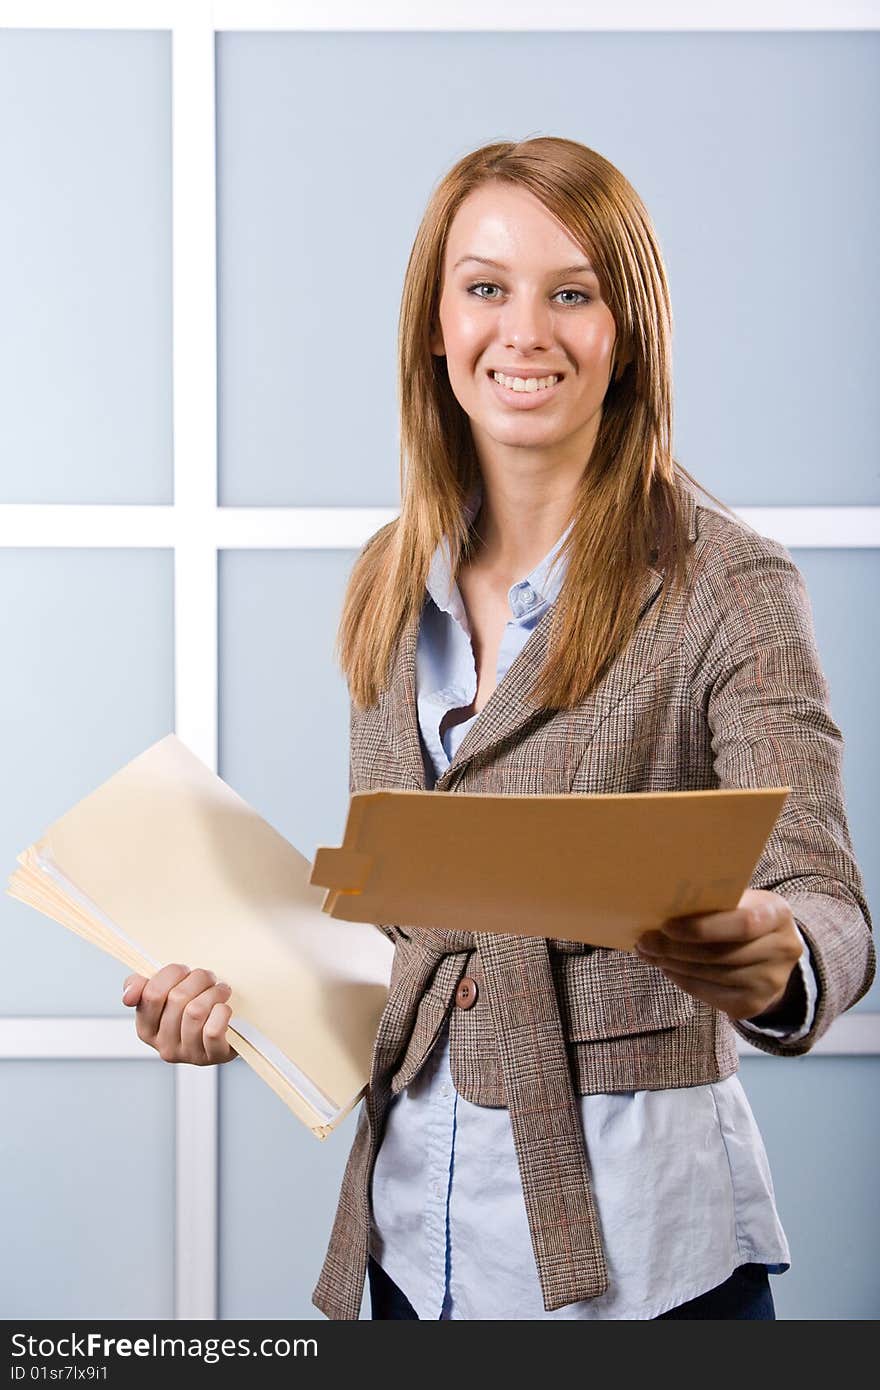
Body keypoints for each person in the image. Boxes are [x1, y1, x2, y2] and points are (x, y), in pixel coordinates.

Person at [122, 136, 875, 1320]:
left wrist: (780, 955)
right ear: (435, 323)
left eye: (570, 293)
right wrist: (245, 1011)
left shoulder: (728, 582)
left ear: (625, 331)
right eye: (485, 288)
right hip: (411, 1241)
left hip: (646, 1257)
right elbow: (402, 928)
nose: (523, 330)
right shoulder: (390, 574)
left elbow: (827, 899)